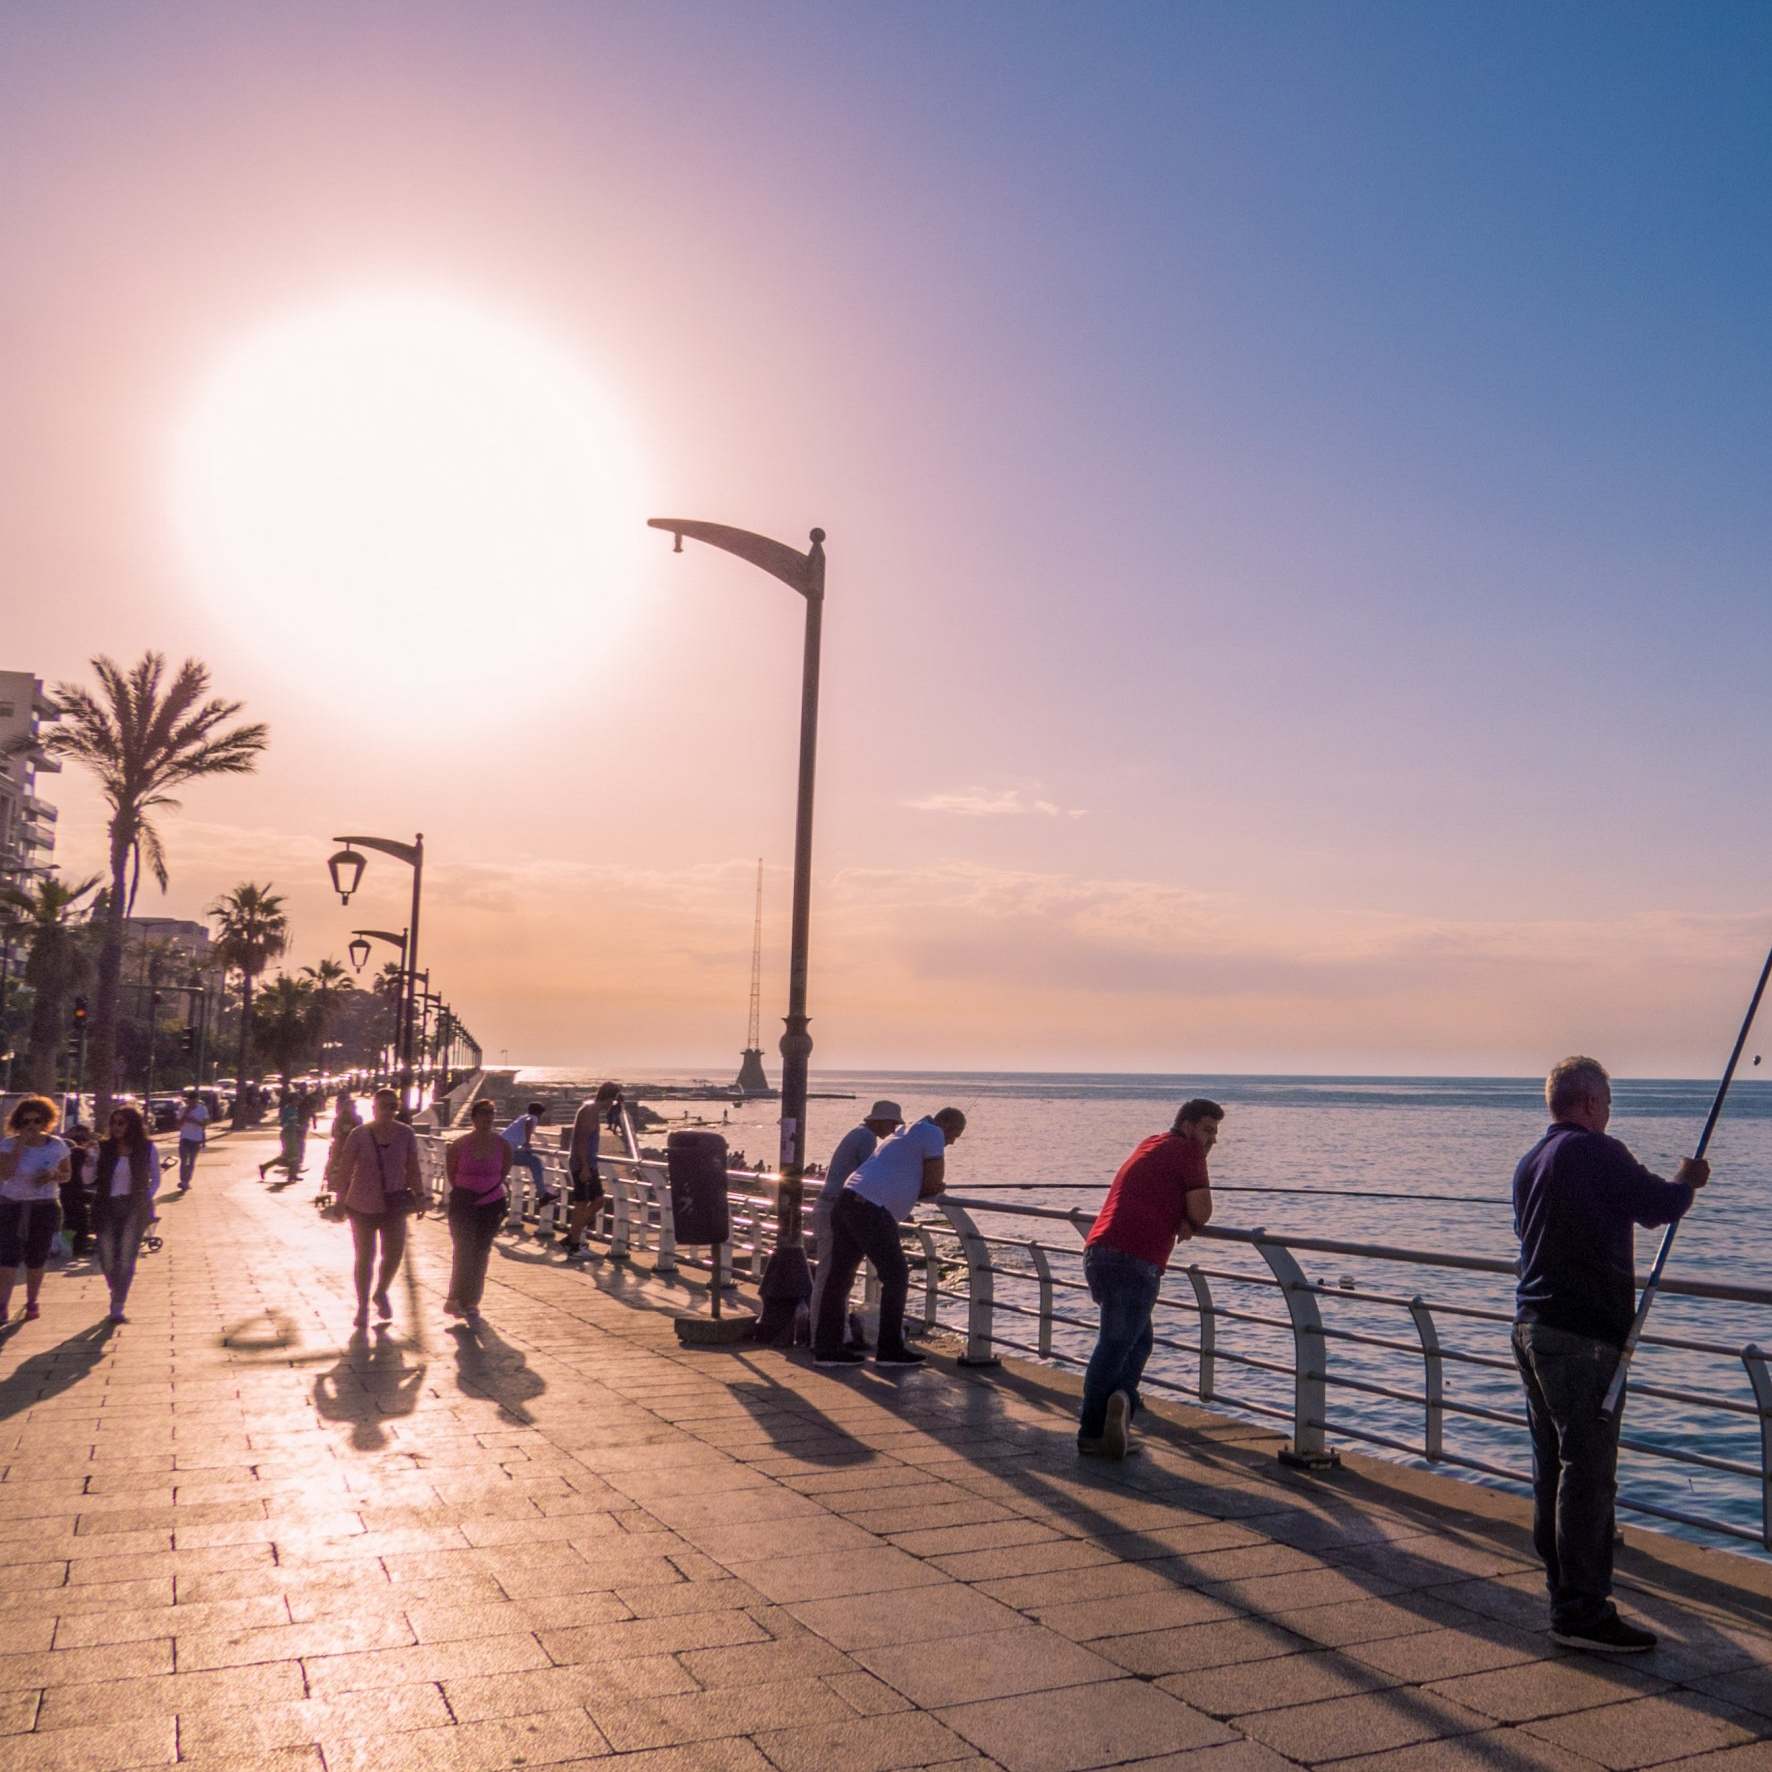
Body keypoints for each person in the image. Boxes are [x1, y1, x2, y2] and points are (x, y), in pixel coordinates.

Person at [1512, 1055, 1705, 1654]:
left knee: (1553, 1473)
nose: (1611, 1110)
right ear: (1591, 1102)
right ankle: (1582, 1613)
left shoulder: (1530, 1162)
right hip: (1582, 1340)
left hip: (1533, 1328)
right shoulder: (1596, 1151)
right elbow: (1658, 1207)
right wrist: (1687, 1179)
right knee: (1588, 1477)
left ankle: (1562, 1596)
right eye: (1610, 1100)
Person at [1079, 1099, 1221, 1459]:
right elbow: (1202, 1211)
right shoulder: (1189, 1150)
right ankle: (1093, 1431)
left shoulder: (1150, 1143)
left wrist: (1178, 1214)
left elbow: (1156, 1191)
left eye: (1215, 1133)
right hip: (1136, 1258)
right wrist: (1189, 1218)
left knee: (1137, 1342)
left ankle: (1121, 1407)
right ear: (1188, 1126)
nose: (1211, 1140)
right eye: (1207, 1130)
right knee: (1114, 1344)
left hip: (1099, 1250)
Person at [812, 1107, 965, 1369]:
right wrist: (936, 1187)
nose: (952, 1142)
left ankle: (827, 1349)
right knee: (896, 1276)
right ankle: (890, 1350)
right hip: (871, 1208)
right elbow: (931, 1184)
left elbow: (900, 1173)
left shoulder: (905, 1132)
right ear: (947, 1126)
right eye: (955, 1135)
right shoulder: (933, 1134)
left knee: (839, 1277)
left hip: (848, 1200)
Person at [332, 1087, 429, 1329]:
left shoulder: (405, 1133)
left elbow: (413, 1167)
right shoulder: (359, 1134)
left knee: (394, 1254)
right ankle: (363, 1306)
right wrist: (339, 1199)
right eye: (383, 1105)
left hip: (394, 1203)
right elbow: (345, 1168)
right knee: (365, 1256)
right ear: (373, 1108)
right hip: (361, 1204)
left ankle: (381, 1291)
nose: (388, 1110)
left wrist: (419, 1196)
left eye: (392, 1106)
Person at [809, 1101, 903, 1348]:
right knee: (831, 1278)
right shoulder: (866, 1140)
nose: (893, 1129)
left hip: (829, 1207)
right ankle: (823, 1338)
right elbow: (870, 1177)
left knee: (833, 1277)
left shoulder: (857, 1134)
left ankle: (832, 1335)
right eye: (892, 1123)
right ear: (879, 1121)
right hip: (834, 1209)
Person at [0, 1094, 73, 1323]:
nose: (32, 1125)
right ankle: (2, 1305)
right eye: (26, 1121)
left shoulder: (56, 1145)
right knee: (7, 1258)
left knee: (36, 1258)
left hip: (44, 1206)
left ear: (46, 1121)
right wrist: (20, 1144)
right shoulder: (8, 1144)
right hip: (12, 1205)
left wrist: (53, 1175)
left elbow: (67, 1175)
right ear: (18, 1123)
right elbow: (5, 1174)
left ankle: (32, 1301)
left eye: (37, 1121)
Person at [444, 1098, 513, 1321]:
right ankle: (455, 1298)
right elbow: (451, 1173)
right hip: (463, 1204)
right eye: (483, 1113)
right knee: (463, 1251)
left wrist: (485, 1191)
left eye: (491, 1113)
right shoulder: (459, 1144)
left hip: (491, 1204)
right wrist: (468, 1192)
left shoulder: (502, 1145)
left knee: (481, 1252)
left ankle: (472, 1301)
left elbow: (503, 1172)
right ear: (473, 1117)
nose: (488, 1118)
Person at [92, 1105, 158, 1323]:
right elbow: (87, 1178)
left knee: (127, 1257)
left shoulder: (147, 1147)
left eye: (121, 1123)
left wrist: (146, 1196)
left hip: (134, 1206)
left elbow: (155, 1177)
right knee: (107, 1257)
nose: (116, 1127)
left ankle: (118, 1305)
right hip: (106, 1205)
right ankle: (116, 1288)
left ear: (132, 1125)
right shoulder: (103, 1148)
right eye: (113, 1123)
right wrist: (88, 1162)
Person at [562, 1083, 619, 1257]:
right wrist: (585, 1166)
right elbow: (581, 1141)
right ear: (609, 1098)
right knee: (584, 1203)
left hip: (587, 1163)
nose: (614, 1104)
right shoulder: (590, 1112)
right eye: (614, 1100)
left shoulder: (588, 1108)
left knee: (595, 1201)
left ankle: (572, 1238)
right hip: (584, 1164)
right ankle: (573, 1245)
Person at [502, 1101, 559, 1210]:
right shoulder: (532, 1118)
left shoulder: (522, 1117)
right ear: (539, 1113)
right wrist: (527, 1142)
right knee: (535, 1161)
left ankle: (542, 1193)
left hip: (502, 1149)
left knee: (531, 1160)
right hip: (506, 1151)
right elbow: (529, 1123)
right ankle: (542, 1194)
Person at [61, 1124, 95, 1260]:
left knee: (71, 1221)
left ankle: (72, 1245)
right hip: (76, 1193)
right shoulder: (78, 1153)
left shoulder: (67, 1155)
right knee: (81, 1220)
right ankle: (79, 1247)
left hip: (67, 1193)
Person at [260, 1086, 308, 1182]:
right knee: (292, 1155)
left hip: (293, 1134)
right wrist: (296, 1126)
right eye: (297, 1100)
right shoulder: (288, 1110)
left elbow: (293, 1122)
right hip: (287, 1135)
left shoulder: (294, 1109)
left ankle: (291, 1174)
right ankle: (267, 1167)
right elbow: (284, 1123)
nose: (298, 1102)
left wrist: (298, 1127)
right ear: (292, 1100)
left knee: (292, 1155)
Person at [175, 1088, 210, 1190]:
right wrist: (185, 1116)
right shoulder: (182, 1109)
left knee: (191, 1161)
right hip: (185, 1138)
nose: (192, 1103)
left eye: (194, 1101)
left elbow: (205, 1123)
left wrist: (195, 1121)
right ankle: (183, 1181)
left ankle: (187, 1180)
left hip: (196, 1139)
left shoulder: (202, 1109)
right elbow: (178, 1125)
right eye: (190, 1101)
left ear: (197, 1100)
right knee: (184, 1160)